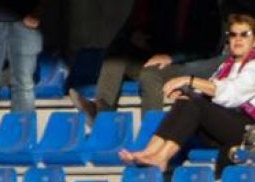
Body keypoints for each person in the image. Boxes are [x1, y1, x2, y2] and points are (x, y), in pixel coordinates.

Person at [118, 13, 255, 172]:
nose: (238, 39)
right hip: (226, 124)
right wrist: (186, 90)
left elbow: (230, 95)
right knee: (186, 100)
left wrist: (189, 80)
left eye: (245, 34)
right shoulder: (227, 65)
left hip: (249, 130)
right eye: (233, 34)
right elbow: (211, 91)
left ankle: (162, 158)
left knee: (195, 103)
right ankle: (149, 152)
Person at [75, 0, 221, 116]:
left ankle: (150, 131)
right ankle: (101, 110)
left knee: (150, 74)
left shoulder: (206, 5)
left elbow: (207, 47)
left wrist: (171, 57)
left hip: (186, 66)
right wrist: (136, 37)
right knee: (118, 53)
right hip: (156, 60)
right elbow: (137, 30)